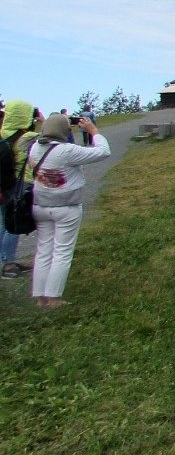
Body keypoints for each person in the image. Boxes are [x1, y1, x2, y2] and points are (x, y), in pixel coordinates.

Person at [27, 112, 111, 308]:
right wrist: (93, 131)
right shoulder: (66, 151)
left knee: (43, 251)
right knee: (62, 252)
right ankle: (54, 298)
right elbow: (103, 152)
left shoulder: (35, 149)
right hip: (66, 207)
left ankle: (40, 296)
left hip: (41, 205)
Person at [1, 99, 38, 279]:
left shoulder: (3, 133)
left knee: (3, 222)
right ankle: (8, 264)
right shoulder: (27, 137)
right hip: (18, 183)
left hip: (4, 184)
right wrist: (42, 119)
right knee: (12, 223)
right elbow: (53, 135)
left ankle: (7, 259)